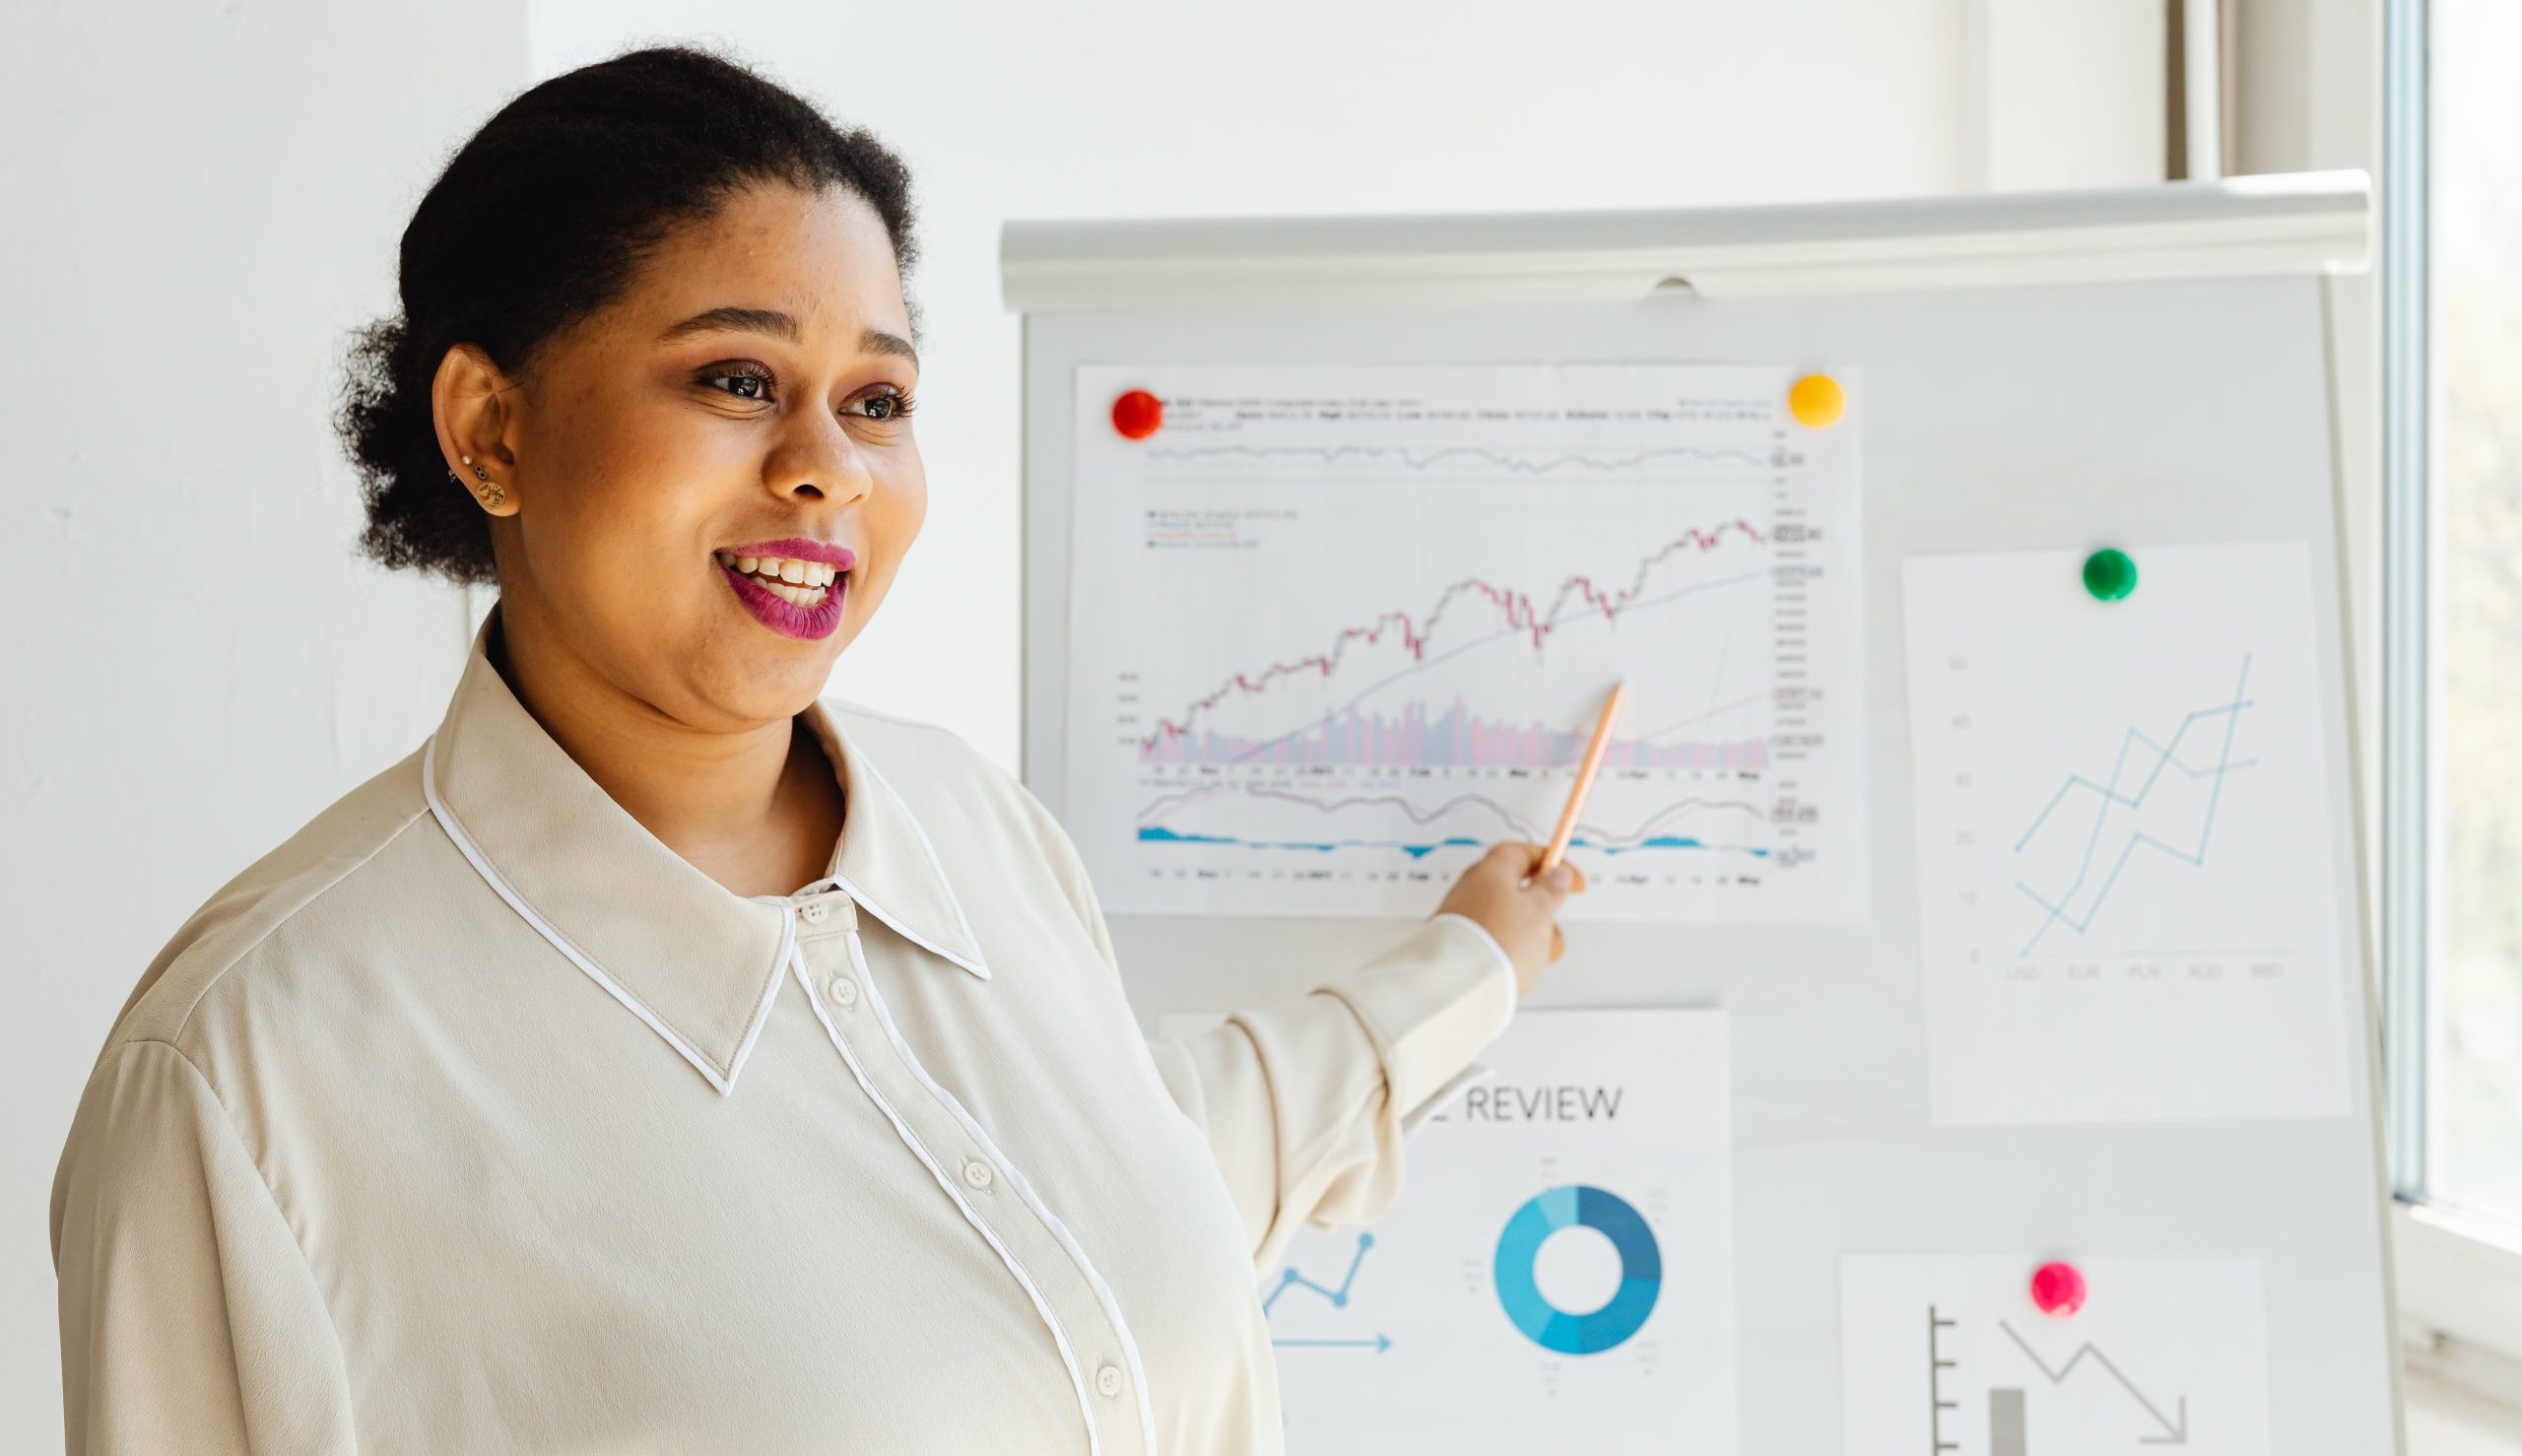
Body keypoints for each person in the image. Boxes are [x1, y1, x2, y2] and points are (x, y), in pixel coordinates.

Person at [49, 42, 1582, 1455]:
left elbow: (1149, 1176)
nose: (826, 469)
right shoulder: (252, 1072)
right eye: (736, 380)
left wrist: (1470, 965)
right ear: (490, 429)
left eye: (877, 400)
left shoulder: (975, 828)